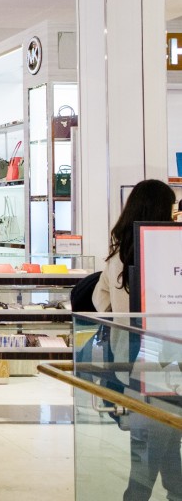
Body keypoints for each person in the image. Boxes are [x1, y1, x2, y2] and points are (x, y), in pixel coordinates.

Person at [92, 179, 179, 501]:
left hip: (131, 361)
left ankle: (175, 491)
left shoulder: (117, 257)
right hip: (166, 362)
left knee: (160, 436)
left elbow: (102, 302)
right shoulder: (168, 253)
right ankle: (137, 495)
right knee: (154, 440)